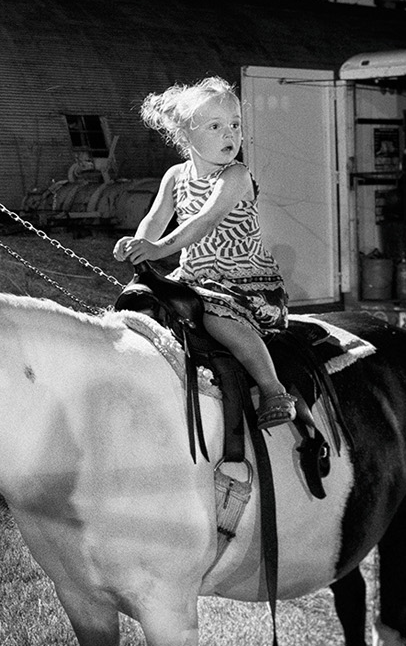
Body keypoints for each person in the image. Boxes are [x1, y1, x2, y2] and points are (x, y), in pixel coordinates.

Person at [113, 76, 314, 431]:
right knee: (143, 307)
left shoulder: (235, 175)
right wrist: (137, 246)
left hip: (242, 281)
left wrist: (158, 248)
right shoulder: (175, 176)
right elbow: (155, 219)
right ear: (186, 137)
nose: (229, 135)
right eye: (216, 126)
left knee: (217, 317)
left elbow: (205, 221)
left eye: (235, 125)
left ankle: (273, 389)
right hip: (195, 277)